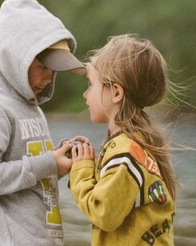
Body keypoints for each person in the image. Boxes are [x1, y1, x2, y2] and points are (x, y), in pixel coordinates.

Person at [0, 0, 88, 246]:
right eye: (42, 67)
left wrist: (59, 162)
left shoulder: (32, 109)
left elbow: (31, 172)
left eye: (53, 71)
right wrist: (47, 162)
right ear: (15, 59)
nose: (49, 78)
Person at [69, 34, 178, 246]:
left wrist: (81, 174)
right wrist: (88, 163)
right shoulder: (137, 144)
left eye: (90, 84)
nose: (85, 94)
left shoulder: (125, 154)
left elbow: (104, 212)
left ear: (116, 92)